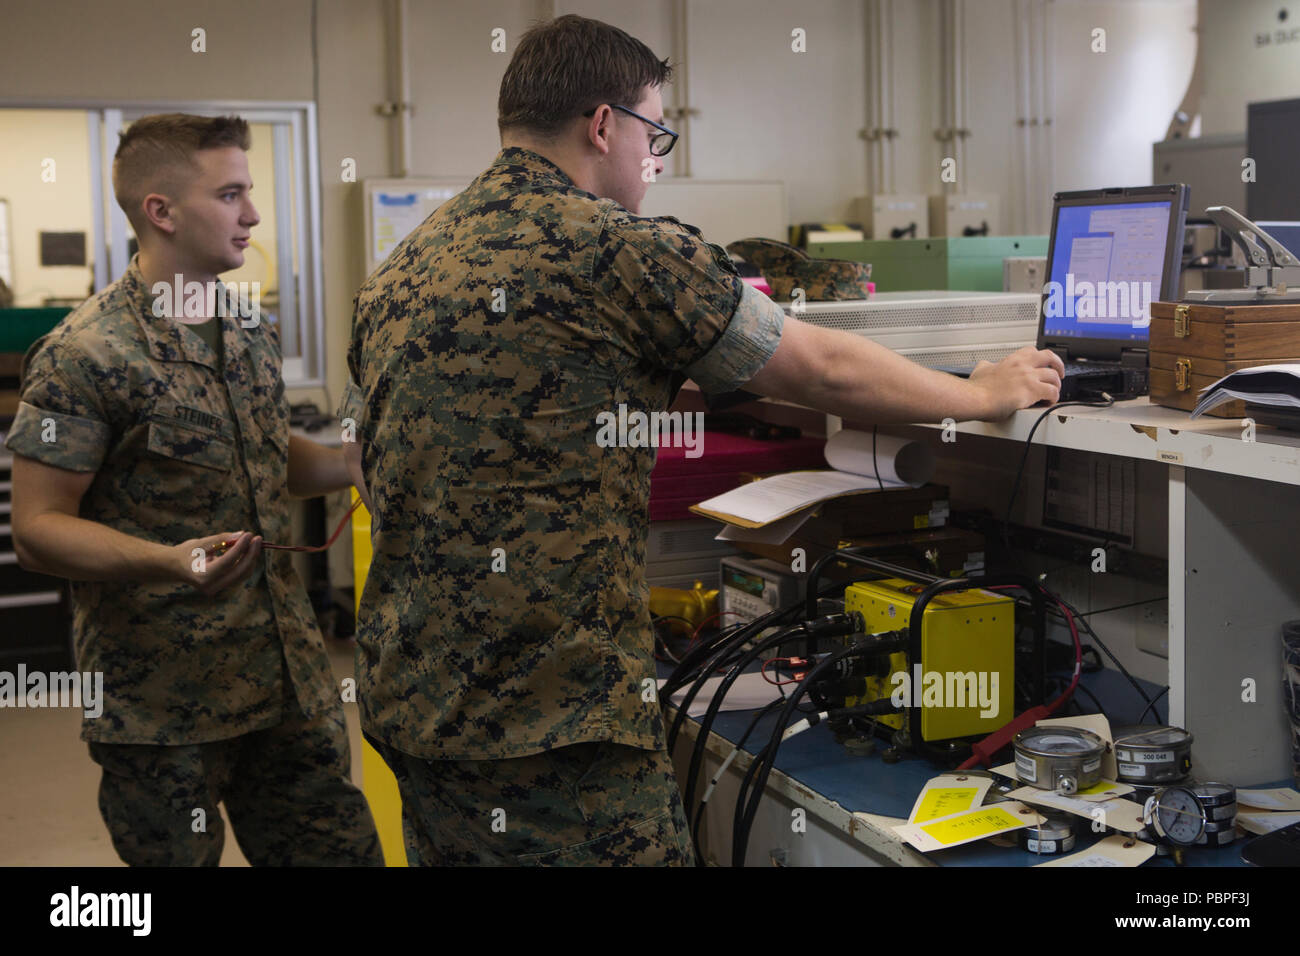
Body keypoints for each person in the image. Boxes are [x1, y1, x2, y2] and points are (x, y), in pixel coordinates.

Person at [342, 14, 1063, 866]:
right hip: (551, 720)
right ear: (603, 124)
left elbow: (369, 460)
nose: (655, 160)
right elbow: (818, 368)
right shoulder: (617, 246)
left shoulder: (406, 265)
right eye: (656, 133)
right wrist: (980, 392)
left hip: (413, 698)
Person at [8, 113, 382, 867]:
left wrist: (349, 462)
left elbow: (264, 458)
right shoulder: (83, 354)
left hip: (288, 684)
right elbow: (38, 527)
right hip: (163, 706)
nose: (252, 216)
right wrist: (168, 561)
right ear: (161, 210)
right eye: (232, 194)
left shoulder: (246, 331)